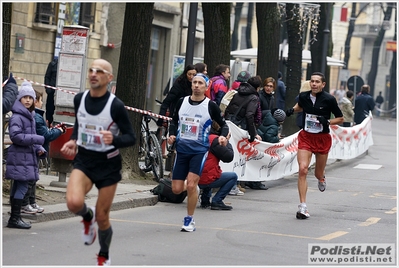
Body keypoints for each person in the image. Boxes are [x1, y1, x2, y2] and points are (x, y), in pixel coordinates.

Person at [60, 59, 136, 265]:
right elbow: (79, 124)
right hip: (84, 160)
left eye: (99, 71)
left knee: (103, 217)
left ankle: (103, 255)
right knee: (74, 202)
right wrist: (74, 141)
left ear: (108, 78)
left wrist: (115, 139)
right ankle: (87, 217)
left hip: (108, 164)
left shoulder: (116, 106)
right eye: (91, 70)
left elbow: (131, 136)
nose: (94, 74)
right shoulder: (79, 99)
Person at [167, 73, 229, 232]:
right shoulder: (182, 102)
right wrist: (172, 134)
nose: (196, 85)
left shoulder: (210, 105)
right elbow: (174, 121)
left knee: (191, 183)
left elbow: (224, 125)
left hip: (199, 151)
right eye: (194, 82)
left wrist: (222, 136)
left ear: (206, 87)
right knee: (176, 189)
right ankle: (194, 189)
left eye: (200, 83)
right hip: (181, 150)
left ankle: (189, 220)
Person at [285, 72, 343, 219]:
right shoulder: (304, 96)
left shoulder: (329, 99)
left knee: (317, 173)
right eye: (312, 81)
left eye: (317, 82)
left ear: (323, 84)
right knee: (303, 169)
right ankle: (303, 207)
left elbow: (341, 118)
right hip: (306, 137)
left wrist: (328, 122)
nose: (314, 84)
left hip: (322, 138)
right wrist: (292, 110)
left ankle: (321, 178)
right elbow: (300, 106)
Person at [5, 82, 46, 229]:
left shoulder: (30, 116)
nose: (28, 100)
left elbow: (30, 136)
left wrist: (39, 147)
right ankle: (15, 218)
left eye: (31, 97)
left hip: (25, 156)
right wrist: (38, 140)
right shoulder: (18, 117)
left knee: (19, 186)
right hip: (20, 157)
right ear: (19, 99)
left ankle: (15, 217)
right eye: (25, 97)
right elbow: (16, 136)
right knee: (21, 186)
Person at [21, 90, 66, 214]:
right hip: (32, 151)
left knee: (33, 178)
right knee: (30, 179)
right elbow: (44, 135)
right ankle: (25, 203)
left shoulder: (35, 116)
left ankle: (31, 202)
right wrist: (59, 131)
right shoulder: (35, 116)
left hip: (35, 149)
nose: (42, 104)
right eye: (41, 101)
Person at [198, 121, 237, 210]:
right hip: (205, 178)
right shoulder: (214, 140)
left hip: (193, 175)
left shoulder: (199, 136)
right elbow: (228, 157)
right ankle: (217, 200)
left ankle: (205, 200)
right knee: (232, 176)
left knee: (211, 168)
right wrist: (226, 141)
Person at [224, 75, 262, 143]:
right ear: (257, 88)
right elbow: (249, 115)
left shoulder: (237, 93)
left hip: (230, 124)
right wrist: (253, 134)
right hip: (241, 128)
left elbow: (228, 109)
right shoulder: (254, 98)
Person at [44, 57, 58, 126]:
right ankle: (48, 126)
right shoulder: (53, 64)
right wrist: (48, 89)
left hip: (60, 94)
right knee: (49, 111)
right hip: (51, 92)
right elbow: (47, 76)